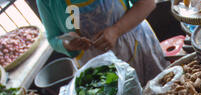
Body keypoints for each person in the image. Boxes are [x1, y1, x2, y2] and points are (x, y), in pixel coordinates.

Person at [37, 0, 169, 85]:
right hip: (98, 71)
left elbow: (147, 3)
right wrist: (68, 44)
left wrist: (116, 30)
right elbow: (53, 38)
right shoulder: (48, 2)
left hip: (138, 50)